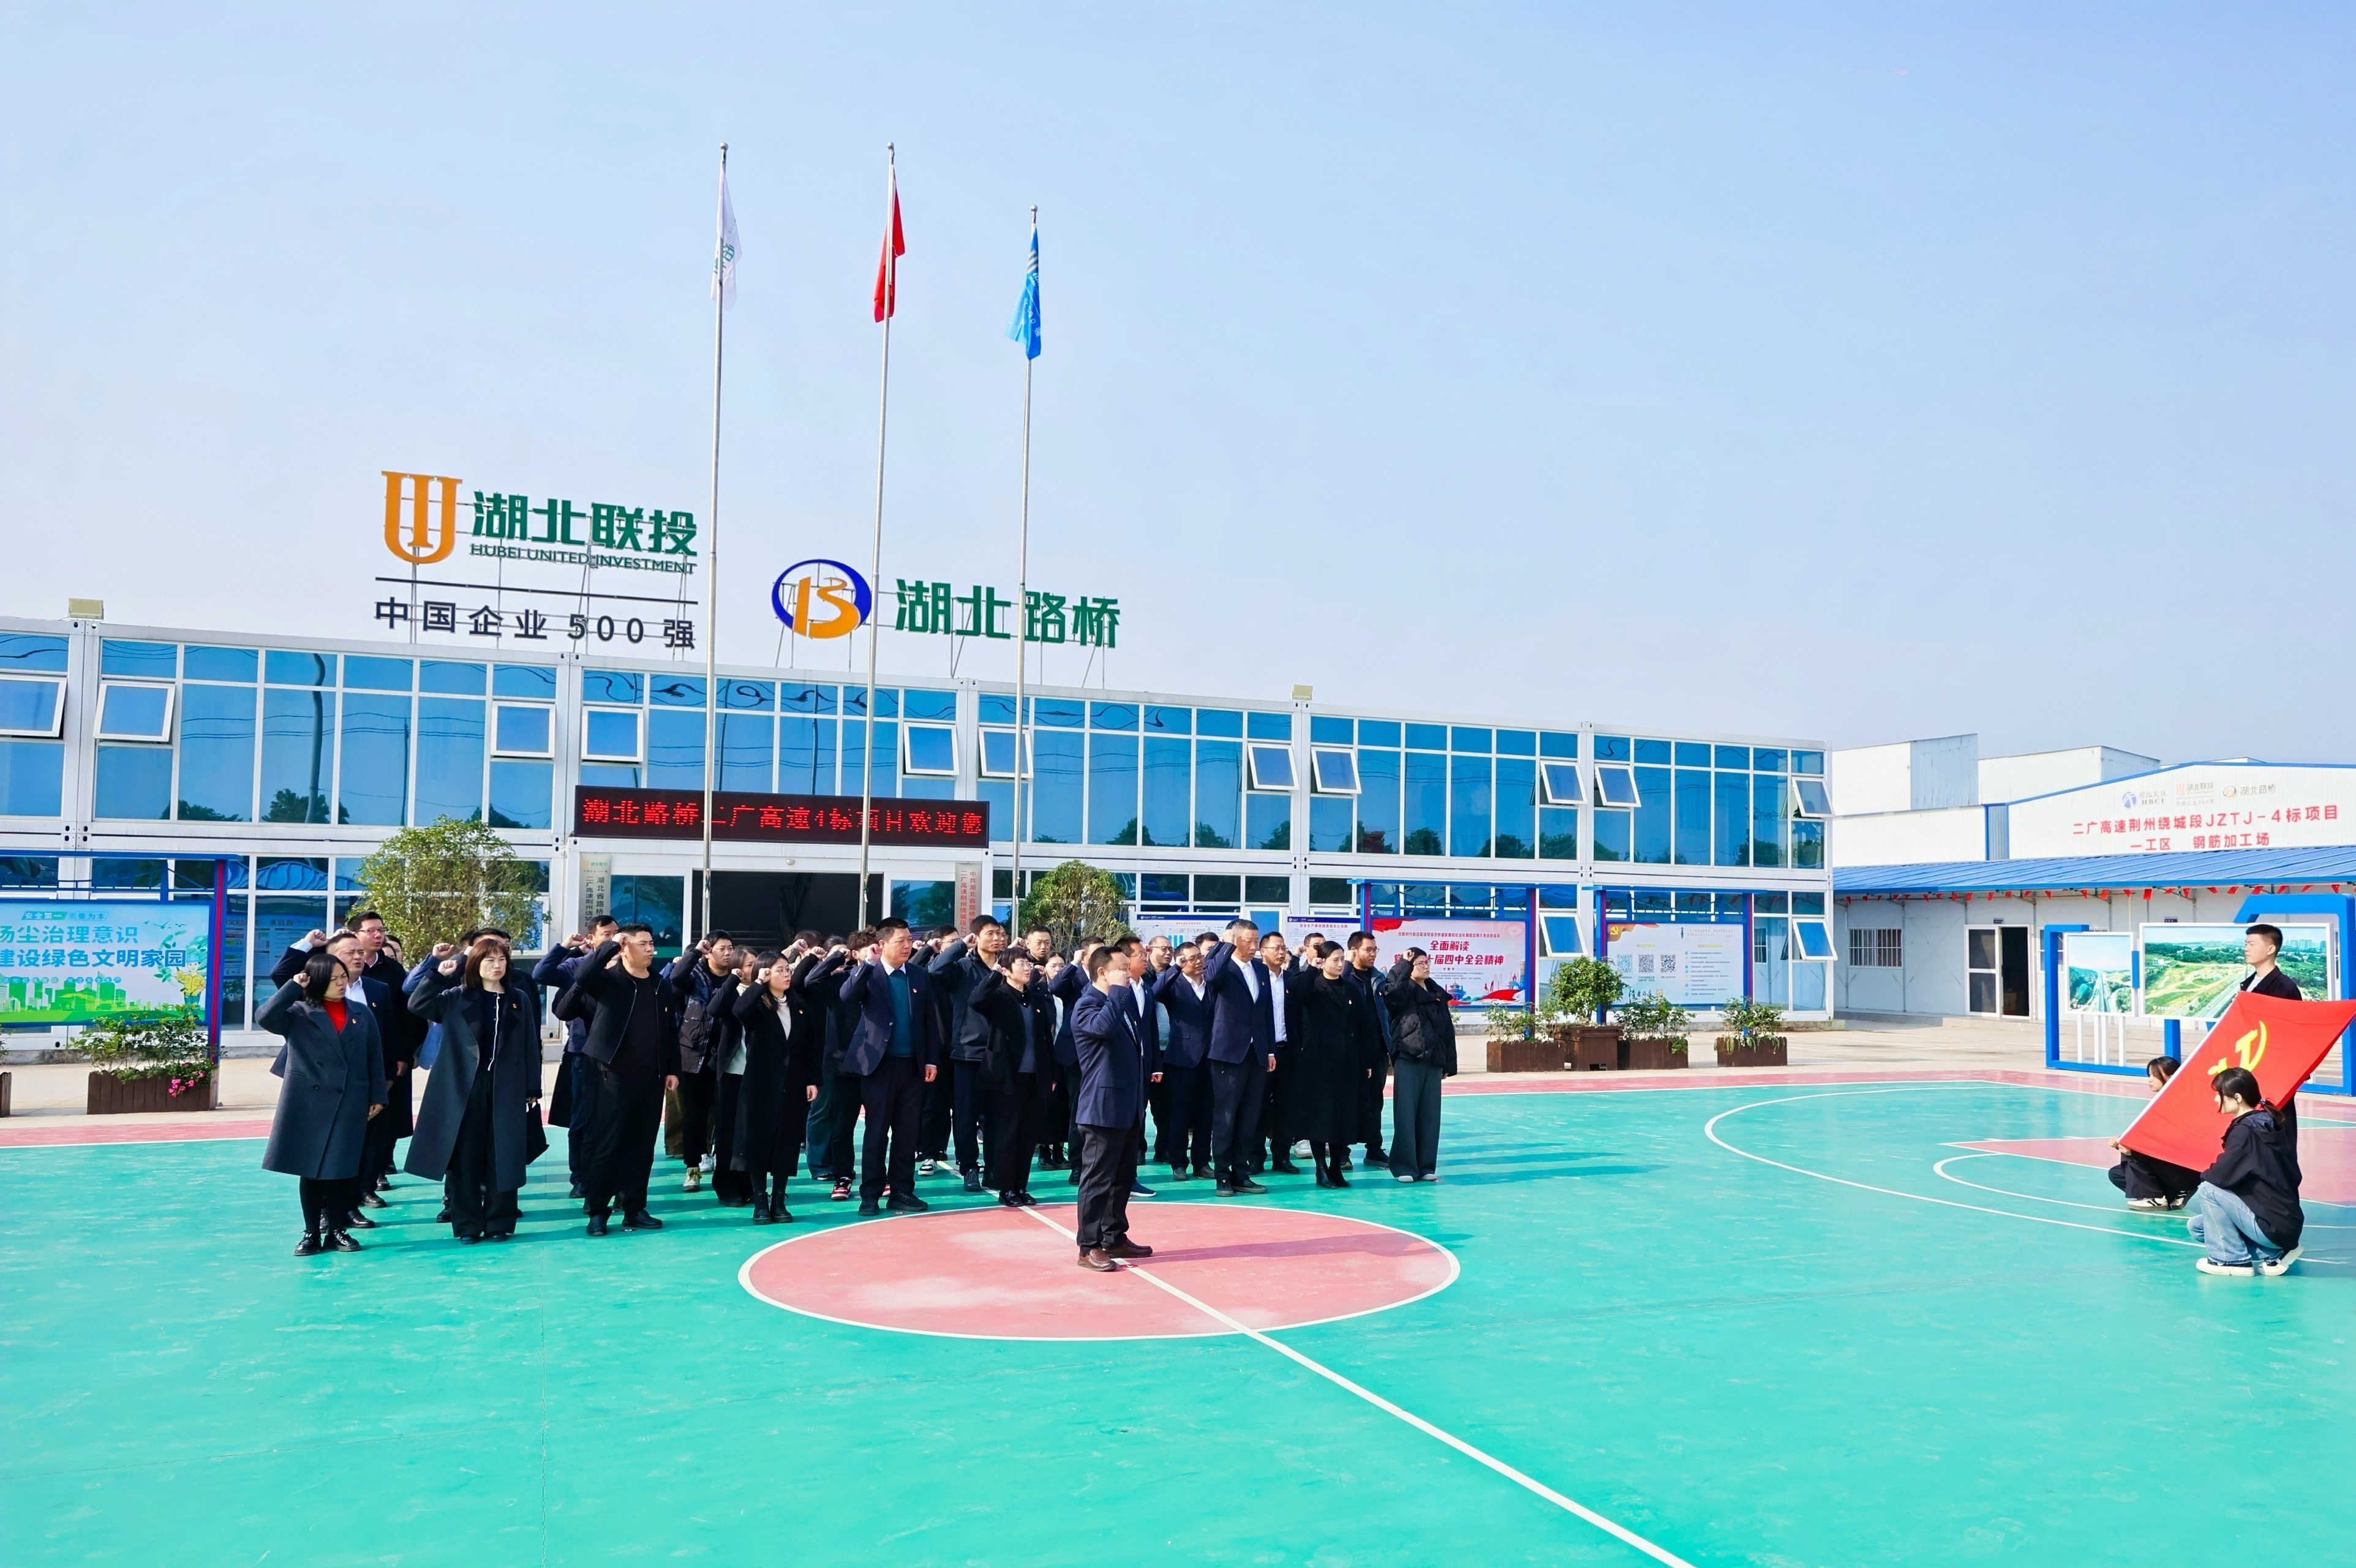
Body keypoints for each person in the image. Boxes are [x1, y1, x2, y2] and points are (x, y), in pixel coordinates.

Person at [273, 913, 416, 1219]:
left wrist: (391, 1072)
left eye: (360, 952)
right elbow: (280, 980)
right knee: (318, 1156)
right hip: (318, 1084)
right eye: (349, 952)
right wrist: (307, 945)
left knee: (360, 1148)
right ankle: (319, 1221)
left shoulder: (376, 989)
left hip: (360, 1082)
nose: (357, 957)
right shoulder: (309, 993)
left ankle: (352, 1206)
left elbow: (388, 1032)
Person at [405, 936, 539, 1242]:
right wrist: (438, 975)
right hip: (463, 1088)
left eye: (502, 960)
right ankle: (467, 1224)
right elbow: (417, 1004)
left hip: (507, 1087)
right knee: (464, 1157)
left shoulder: (518, 998)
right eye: (489, 960)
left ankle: (499, 1222)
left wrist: (532, 1086)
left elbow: (530, 1043)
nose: (497, 966)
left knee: (503, 1155)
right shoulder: (457, 997)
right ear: (476, 964)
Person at [258, 951, 384, 1256]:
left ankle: (338, 1229)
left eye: (343, 978)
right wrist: (293, 986)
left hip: (350, 1099)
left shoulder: (360, 1012)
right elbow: (265, 1017)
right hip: (309, 1102)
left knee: (342, 1169)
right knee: (311, 1170)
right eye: (333, 980)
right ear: (316, 981)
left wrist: (378, 1095)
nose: (341, 984)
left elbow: (374, 1056)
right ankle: (311, 1232)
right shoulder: (298, 1012)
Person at [571, 924, 682, 1236]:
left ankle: (634, 1208)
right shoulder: (610, 980)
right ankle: (598, 1211)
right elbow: (583, 976)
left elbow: (670, 1029)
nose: (650, 949)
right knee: (608, 1144)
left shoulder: (660, 984)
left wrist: (672, 1068)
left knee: (642, 1146)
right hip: (613, 1075)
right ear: (625, 947)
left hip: (652, 1078)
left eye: (651, 943)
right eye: (643, 944)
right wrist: (610, 945)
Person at [835, 918, 943, 1217]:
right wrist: (867, 964)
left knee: (907, 1133)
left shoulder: (920, 975)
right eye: (901, 941)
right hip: (878, 1066)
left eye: (909, 940)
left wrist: (931, 1059)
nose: (907, 946)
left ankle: (902, 1191)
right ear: (882, 944)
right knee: (876, 1132)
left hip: (913, 1066)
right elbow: (846, 996)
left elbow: (930, 1021)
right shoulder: (869, 972)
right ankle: (870, 1195)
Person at [1069, 946, 1152, 1271]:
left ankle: (1114, 1236)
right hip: (1102, 1108)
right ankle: (1088, 1246)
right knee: (1097, 1180)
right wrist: (1118, 992)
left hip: (1127, 1105)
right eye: (1122, 968)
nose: (1129, 973)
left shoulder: (1121, 1002)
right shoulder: (1087, 1004)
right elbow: (1102, 1029)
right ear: (1102, 972)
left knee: (1122, 1176)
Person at [2186, 1066, 2304, 1277]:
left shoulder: (2246, 1132)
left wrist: (2203, 1176)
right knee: (2198, 1226)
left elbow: (2220, 1176)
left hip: (2271, 1224)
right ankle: (2273, 1253)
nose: (2216, 1100)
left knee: (2208, 1190)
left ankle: (2231, 1260)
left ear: (2237, 1098)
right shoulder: (2269, 1123)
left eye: (2219, 1095)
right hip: (2285, 1222)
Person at [732, 949, 822, 1223]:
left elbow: (811, 1046)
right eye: (779, 970)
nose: (786, 974)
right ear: (765, 972)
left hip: (793, 1084)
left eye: (787, 969)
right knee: (758, 1141)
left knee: (787, 1142)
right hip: (760, 1084)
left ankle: (779, 1199)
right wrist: (759, 983)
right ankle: (760, 1200)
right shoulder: (757, 1004)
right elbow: (739, 1010)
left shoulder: (799, 1005)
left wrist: (812, 1079)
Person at [536, 914, 619, 1202]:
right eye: (606, 934)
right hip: (583, 1053)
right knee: (582, 1117)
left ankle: (613, 1178)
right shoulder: (576, 966)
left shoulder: (626, 967)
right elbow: (541, 974)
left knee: (614, 1119)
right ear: (591, 939)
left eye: (616, 933)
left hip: (620, 1055)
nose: (613, 939)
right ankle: (580, 1177)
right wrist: (564, 947)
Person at [1201, 918, 1279, 1197]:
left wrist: (1269, 1049)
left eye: (1256, 940)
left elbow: (1266, 1011)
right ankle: (1222, 1176)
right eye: (1248, 941)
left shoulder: (1260, 968)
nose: (1254, 946)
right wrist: (1225, 945)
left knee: (1249, 1116)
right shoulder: (1222, 966)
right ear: (1235, 940)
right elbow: (1211, 977)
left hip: (1256, 1053)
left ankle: (1241, 1174)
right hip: (1228, 1053)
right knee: (1226, 1116)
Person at [930, 915, 1007, 1192]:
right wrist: (961, 946)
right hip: (968, 1053)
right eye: (991, 934)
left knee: (998, 1116)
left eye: (1000, 934)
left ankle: (995, 1168)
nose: (997, 938)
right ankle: (969, 1166)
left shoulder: (1006, 966)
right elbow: (935, 971)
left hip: (1001, 1053)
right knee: (965, 1115)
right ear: (976, 936)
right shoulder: (962, 967)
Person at [973, 948, 1055, 1206]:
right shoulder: (998, 996)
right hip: (1006, 1077)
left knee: (1028, 1135)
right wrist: (994, 975)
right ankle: (1006, 1188)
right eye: (1021, 963)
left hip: (1035, 1077)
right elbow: (976, 1000)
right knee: (1007, 1135)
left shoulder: (1036, 997)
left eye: (1028, 963)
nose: (1028, 967)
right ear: (1006, 970)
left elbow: (1046, 1037)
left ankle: (1021, 1186)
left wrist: (1051, 1073)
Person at [1296, 943, 1381, 1187]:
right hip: (1319, 1064)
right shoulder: (1313, 986)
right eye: (1335, 959)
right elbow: (1298, 994)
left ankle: (1336, 1167)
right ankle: (1321, 1169)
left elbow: (1363, 1026)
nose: (1340, 964)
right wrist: (1312, 968)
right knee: (1320, 1117)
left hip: (1348, 1063)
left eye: (1342, 959)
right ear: (1323, 961)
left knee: (1343, 1117)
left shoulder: (1350, 988)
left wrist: (1366, 1060)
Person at [664, 932, 736, 1192]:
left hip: (728, 1055)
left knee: (726, 1112)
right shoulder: (695, 975)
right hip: (695, 1054)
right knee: (694, 1114)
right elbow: (676, 978)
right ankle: (692, 1167)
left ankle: (723, 1164)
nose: (727, 953)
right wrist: (695, 952)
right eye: (722, 948)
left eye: (730, 948)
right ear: (710, 951)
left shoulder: (736, 976)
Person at [1385, 947, 1456, 1182]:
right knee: (1406, 1114)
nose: (1426, 966)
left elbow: (1447, 1030)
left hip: (1433, 1060)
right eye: (1420, 963)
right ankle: (1404, 1167)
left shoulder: (1436, 993)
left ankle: (1426, 1166)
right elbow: (1392, 995)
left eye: (1427, 962)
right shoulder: (1404, 990)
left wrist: (1449, 1063)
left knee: (1430, 1116)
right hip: (1409, 1057)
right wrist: (1403, 965)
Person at [800, 932, 863, 1199]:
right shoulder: (825, 982)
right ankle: (819, 1164)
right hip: (825, 1056)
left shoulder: (853, 979)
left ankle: (841, 1166)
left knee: (844, 1118)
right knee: (823, 1110)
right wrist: (835, 957)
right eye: (837, 953)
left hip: (854, 1059)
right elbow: (809, 980)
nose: (842, 958)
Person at [1151, 937, 1216, 1180]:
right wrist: (1175, 968)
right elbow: (1155, 993)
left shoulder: (1211, 984)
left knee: (1205, 1114)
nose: (1197, 962)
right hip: (1182, 1057)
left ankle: (1202, 1162)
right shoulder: (1174, 984)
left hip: (1210, 1057)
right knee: (1179, 1113)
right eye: (1191, 959)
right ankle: (1178, 1162)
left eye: (1199, 957)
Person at [707, 947, 763, 1207]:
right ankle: (725, 1184)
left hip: (757, 1073)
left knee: (752, 1132)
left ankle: (748, 1183)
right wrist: (732, 979)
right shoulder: (730, 991)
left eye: (756, 964)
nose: (754, 969)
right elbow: (714, 1009)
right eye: (749, 965)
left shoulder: (764, 992)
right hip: (731, 1073)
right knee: (728, 1132)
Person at [2107, 1057, 2202, 1210]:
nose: (2150, 1080)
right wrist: (2120, 1141)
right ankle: (2172, 1194)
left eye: (2155, 1075)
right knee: (2117, 1174)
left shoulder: (2179, 1105)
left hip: (2183, 1169)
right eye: (2149, 1075)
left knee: (2134, 1151)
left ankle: (2154, 1197)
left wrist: (2131, 1148)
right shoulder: (2160, 1102)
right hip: (2171, 1169)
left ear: (2171, 1077)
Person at [1253, 931, 1303, 1176]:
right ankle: (1255, 1157)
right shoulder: (1255, 978)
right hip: (1261, 1051)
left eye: (1284, 948)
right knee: (1258, 1104)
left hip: (1288, 1049)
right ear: (1263, 951)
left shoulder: (1291, 980)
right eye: (1276, 948)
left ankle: (1282, 1156)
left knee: (1287, 1105)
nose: (1282, 952)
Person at [1342, 931, 1392, 1167]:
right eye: (1368, 950)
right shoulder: (1345, 976)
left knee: (1375, 1102)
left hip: (1377, 1050)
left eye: (1375, 950)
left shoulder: (1378, 978)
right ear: (1354, 951)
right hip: (1351, 1052)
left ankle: (1374, 1149)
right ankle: (1342, 1152)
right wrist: (1346, 964)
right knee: (1347, 1101)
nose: (1372, 954)